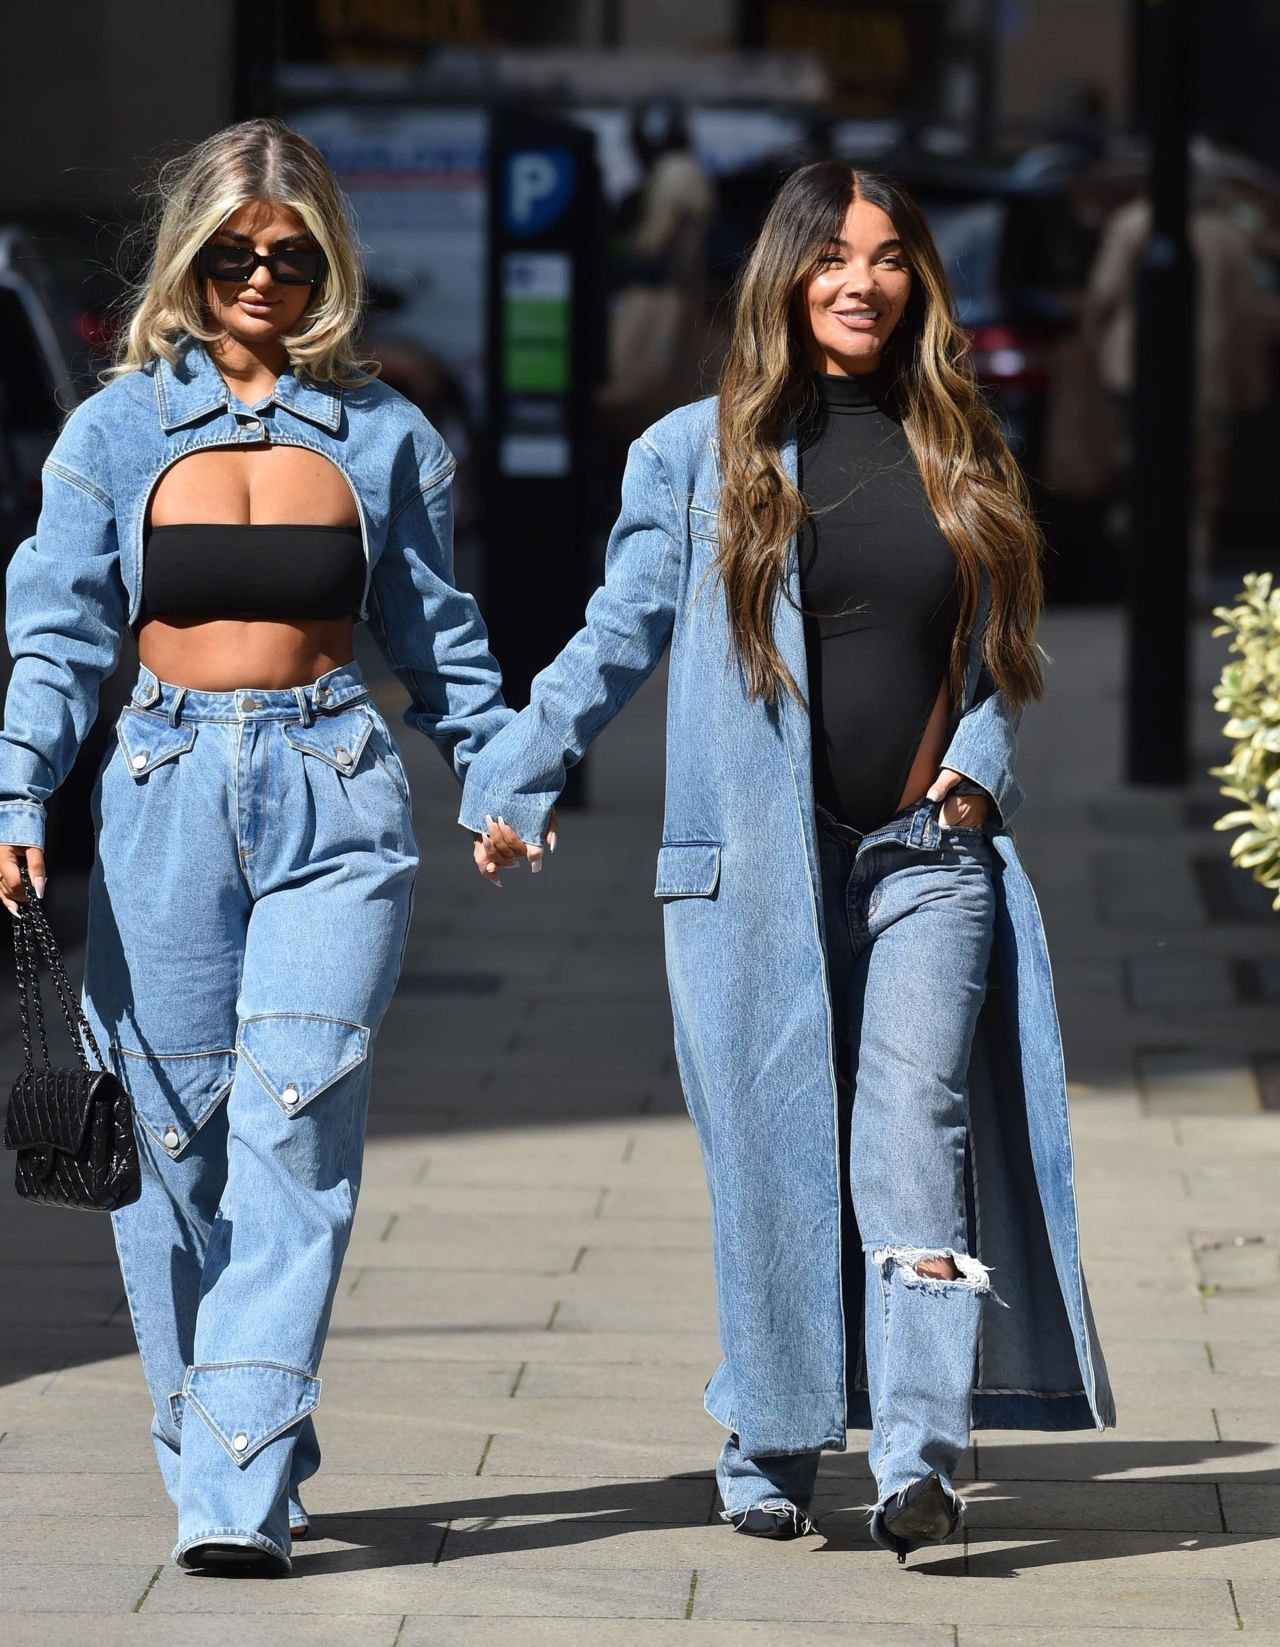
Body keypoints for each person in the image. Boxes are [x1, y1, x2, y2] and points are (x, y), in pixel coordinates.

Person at [466, 162, 1114, 1558]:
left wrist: (978, 778)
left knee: (908, 1130)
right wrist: (515, 768)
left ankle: (919, 1450)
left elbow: (1004, 656)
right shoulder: (692, 457)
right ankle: (768, 1427)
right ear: (786, 275)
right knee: (770, 1160)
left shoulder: (964, 444)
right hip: (752, 871)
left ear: (918, 281)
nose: (862, 281)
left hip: (923, 860)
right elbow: (616, 633)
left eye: (888, 258)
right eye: (834, 257)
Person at [0, 118, 511, 1575]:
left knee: (294, 1122)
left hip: (333, 787)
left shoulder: (390, 439)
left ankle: (231, 1496)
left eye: (292, 256)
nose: (262, 278)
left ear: (328, 264)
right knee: (167, 1143)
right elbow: (57, 635)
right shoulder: (113, 433)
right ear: (191, 257)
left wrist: (498, 780)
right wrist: (17, 789)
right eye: (234, 254)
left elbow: (441, 643)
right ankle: (239, 1433)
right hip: (161, 788)